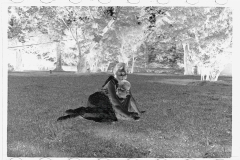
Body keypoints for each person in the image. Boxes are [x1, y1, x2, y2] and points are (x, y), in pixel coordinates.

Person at [57, 62, 144, 122]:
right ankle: (74, 114)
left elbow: (131, 98)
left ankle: (75, 112)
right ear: (115, 73)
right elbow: (114, 100)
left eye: (124, 73)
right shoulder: (112, 81)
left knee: (111, 117)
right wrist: (127, 113)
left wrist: (139, 112)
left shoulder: (125, 84)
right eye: (120, 73)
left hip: (108, 101)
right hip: (99, 98)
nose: (122, 76)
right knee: (107, 115)